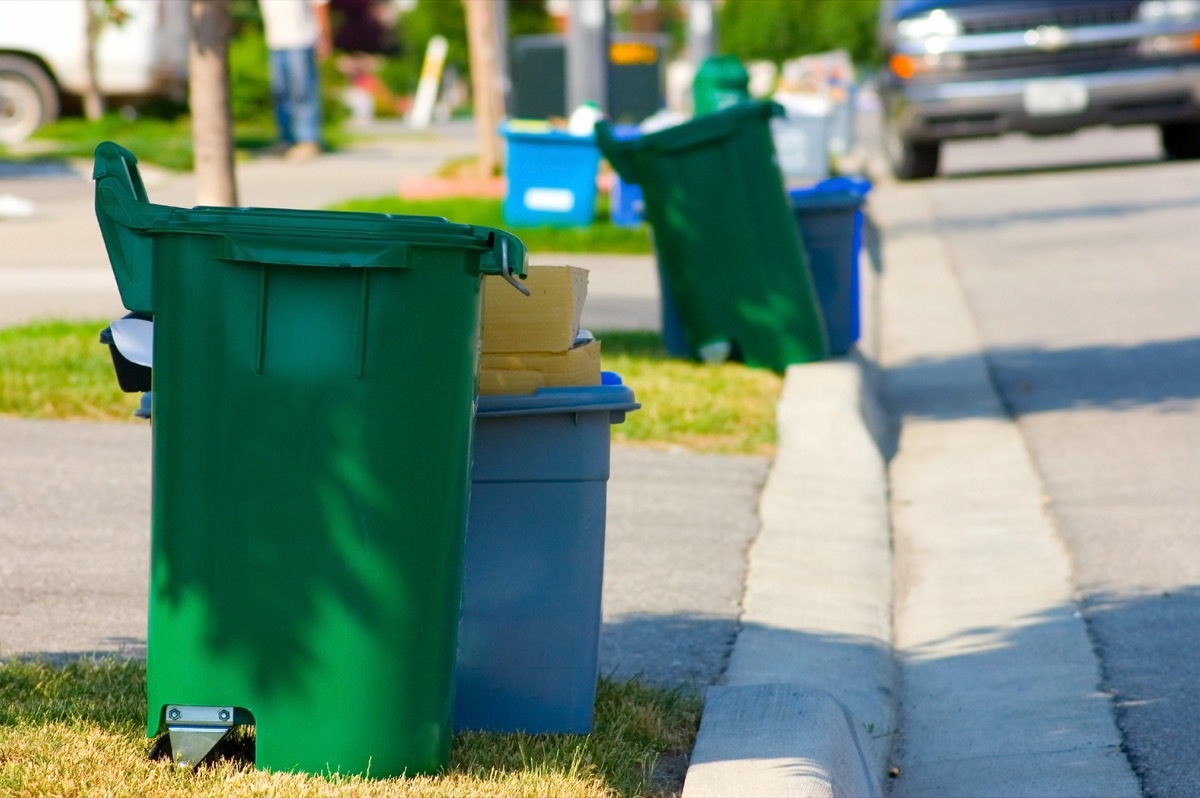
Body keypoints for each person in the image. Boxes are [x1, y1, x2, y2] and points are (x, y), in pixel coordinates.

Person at [259, 0, 332, 160]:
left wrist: (324, 37)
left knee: (303, 91)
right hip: (276, 42)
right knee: (281, 93)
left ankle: (309, 140)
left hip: (301, 40)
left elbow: (320, 5)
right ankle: (286, 140)